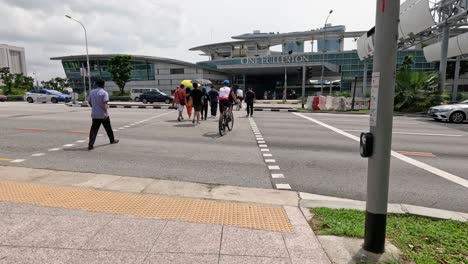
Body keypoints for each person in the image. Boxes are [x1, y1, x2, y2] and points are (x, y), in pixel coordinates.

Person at [87, 79, 119, 150]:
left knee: (94, 130)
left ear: (97, 84)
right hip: (103, 114)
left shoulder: (92, 92)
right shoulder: (104, 93)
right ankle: (112, 140)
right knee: (108, 128)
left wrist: (93, 107)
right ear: (103, 84)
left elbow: (89, 101)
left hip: (95, 114)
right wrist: (106, 112)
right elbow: (105, 103)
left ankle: (90, 145)